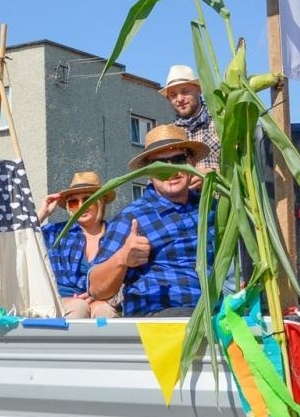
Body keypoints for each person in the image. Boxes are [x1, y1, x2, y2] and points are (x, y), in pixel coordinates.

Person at [88, 125, 212, 317]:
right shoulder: (132, 217)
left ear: (192, 162)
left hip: (217, 316)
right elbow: (96, 288)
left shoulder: (210, 209)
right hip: (162, 319)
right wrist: (123, 258)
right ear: (148, 171)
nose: (171, 171)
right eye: (160, 165)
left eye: (178, 161)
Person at [36, 170, 119, 320]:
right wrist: (43, 213)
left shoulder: (116, 234)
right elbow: (23, 241)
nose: (81, 206)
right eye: (74, 202)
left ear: (100, 201)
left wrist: (102, 297)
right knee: (78, 308)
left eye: (87, 199)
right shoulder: (55, 232)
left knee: (105, 313)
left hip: (102, 299)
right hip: (63, 299)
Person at [160, 64, 221, 172]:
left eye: (185, 91)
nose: (179, 99)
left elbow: (240, 166)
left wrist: (211, 175)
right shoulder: (168, 135)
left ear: (199, 90)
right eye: (173, 95)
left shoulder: (220, 123)